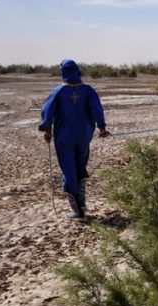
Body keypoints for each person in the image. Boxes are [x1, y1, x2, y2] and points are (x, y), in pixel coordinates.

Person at [39, 59, 109, 220]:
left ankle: (78, 212)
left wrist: (47, 130)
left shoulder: (58, 91)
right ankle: (81, 205)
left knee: (69, 169)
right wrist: (102, 128)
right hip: (84, 136)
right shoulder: (88, 90)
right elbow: (97, 109)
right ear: (77, 71)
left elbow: (47, 111)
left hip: (64, 138)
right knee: (80, 166)